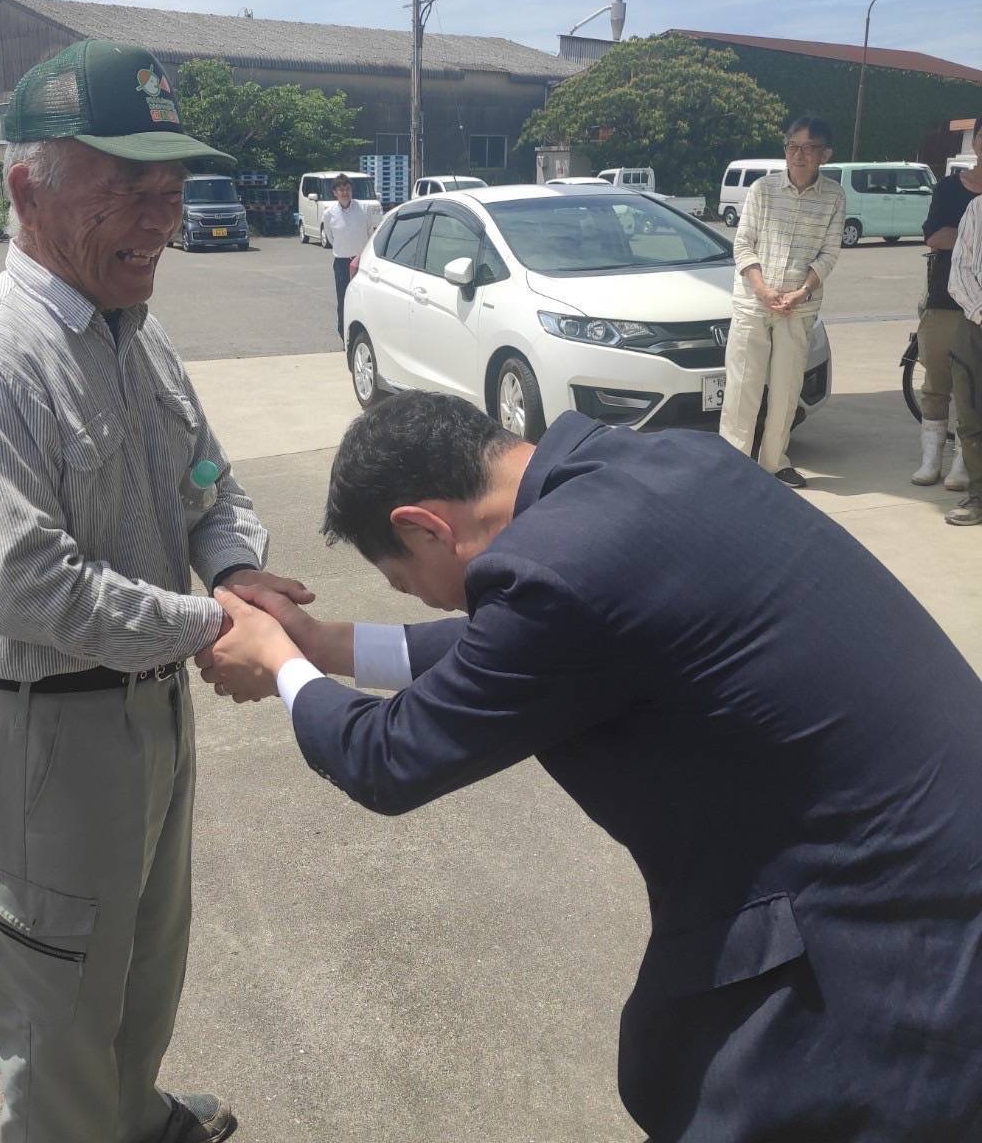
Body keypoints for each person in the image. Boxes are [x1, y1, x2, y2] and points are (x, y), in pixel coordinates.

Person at [199, 391, 982, 1140]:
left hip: (889, 939)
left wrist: (278, 665)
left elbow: (388, 758)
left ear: (426, 527)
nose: (430, 602)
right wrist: (326, 646)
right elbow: (527, 639)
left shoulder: (561, 572)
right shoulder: (665, 466)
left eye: (406, 580)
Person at [0, 38, 311, 1143]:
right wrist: (210, 623)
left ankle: (131, 1116)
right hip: (46, 734)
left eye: (170, 187)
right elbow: (24, 586)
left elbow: (208, 481)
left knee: (139, 960)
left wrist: (231, 568)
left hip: (147, 712)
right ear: (28, 188)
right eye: (126, 185)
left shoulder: (140, 338)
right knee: (53, 1007)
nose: (160, 213)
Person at [718, 116, 844, 487]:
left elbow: (829, 253)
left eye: (808, 148)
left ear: (825, 154)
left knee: (787, 389)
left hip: (799, 306)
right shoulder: (762, 190)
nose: (799, 155)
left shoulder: (834, 196)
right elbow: (742, 244)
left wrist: (801, 292)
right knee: (743, 387)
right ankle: (734, 465)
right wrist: (762, 289)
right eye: (792, 146)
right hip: (754, 303)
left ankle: (774, 462)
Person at [915, 117, 982, 489]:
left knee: (972, 390)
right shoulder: (949, 188)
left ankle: (962, 463)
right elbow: (935, 237)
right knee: (937, 380)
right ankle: (930, 460)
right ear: (976, 142)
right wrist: (971, 237)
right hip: (945, 297)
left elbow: (947, 236)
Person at [944, 192, 982, 525]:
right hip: (976, 325)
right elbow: (960, 272)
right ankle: (979, 497)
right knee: (971, 419)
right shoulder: (977, 208)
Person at [322, 173, 376, 339]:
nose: (345, 192)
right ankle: (345, 336)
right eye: (341, 189)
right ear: (335, 193)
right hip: (341, 263)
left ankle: (365, 334)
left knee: (364, 299)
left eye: (347, 189)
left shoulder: (364, 209)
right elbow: (331, 238)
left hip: (361, 262)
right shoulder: (329, 213)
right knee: (344, 300)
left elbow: (370, 232)